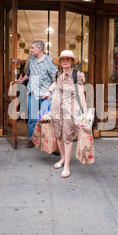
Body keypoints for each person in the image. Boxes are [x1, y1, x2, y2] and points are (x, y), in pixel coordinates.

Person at [43, 50, 87, 178]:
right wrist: (49, 94)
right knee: (59, 137)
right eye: (63, 59)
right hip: (56, 110)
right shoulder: (57, 75)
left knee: (67, 138)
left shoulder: (77, 75)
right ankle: (62, 159)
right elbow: (55, 87)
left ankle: (67, 165)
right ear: (60, 62)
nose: (65, 61)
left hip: (70, 111)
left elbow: (81, 94)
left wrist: (85, 112)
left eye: (68, 59)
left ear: (72, 61)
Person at [18, 40, 58, 148]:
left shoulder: (50, 61)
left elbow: (56, 79)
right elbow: (29, 74)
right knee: (32, 118)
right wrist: (22, 80)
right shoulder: (31, 60)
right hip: (33, 91)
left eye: (32, 48)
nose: (31, 50)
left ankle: (47, 140)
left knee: (45, 118)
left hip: (46, 93)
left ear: (39, 49)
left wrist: (49, 91)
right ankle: (32, 138)